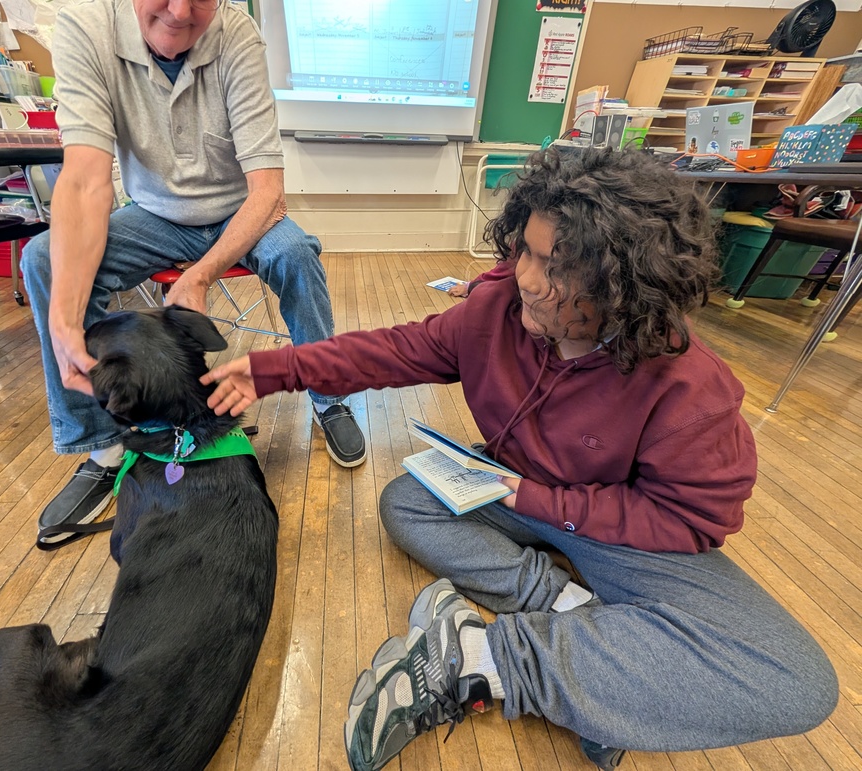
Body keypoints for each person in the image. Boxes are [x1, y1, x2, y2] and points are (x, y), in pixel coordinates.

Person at [201, 148, 838, 769]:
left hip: (613, 526)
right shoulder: (497, 306)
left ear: (623, 285)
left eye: (556, 269)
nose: (528, 278)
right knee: (408, 501)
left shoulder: (693, 391)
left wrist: (536, 501)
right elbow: (393, 352)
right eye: (526, 250)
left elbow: (692, 524)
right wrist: (273, 369)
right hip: (515, 490)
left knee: (798, 681)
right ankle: (577, 621)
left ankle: (481, 658)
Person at [22, 0, 367, 546]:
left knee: (295, 253)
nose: (181, 12)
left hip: (240, 212)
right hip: (155, 215)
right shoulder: (85, 29)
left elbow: (268, 193)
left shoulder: (239, 36)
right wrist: (63, 323)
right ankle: (103, 442)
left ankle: (329, 397)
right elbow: (86, 182)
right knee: (41, 258)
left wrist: (202, 275)